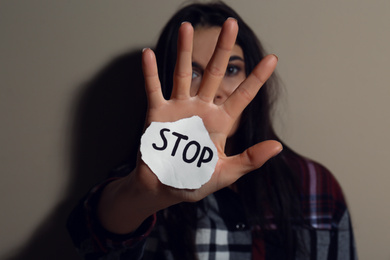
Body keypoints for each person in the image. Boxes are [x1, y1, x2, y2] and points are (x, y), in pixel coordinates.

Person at [67, 2, 357, 259]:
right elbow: (90, 239)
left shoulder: (316, 186)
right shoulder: (142, 181)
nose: (215, 91)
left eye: (232, 69)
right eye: (193, 73)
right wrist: (142, 196)